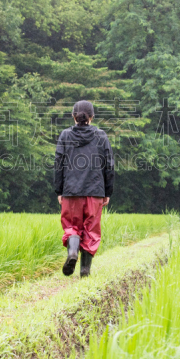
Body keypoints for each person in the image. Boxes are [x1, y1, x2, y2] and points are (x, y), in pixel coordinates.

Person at [54, 100, 114, 277]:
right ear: (92, 117)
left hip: (71, 191)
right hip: (95, 191)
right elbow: (109, 166)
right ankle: (85, 270)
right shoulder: (101, 136)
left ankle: (72, 253)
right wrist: (107, 192)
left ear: (74, 116)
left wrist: (59, 190)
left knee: (72, 226)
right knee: (91, 230)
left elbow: (58, 165)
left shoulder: (65, 135)